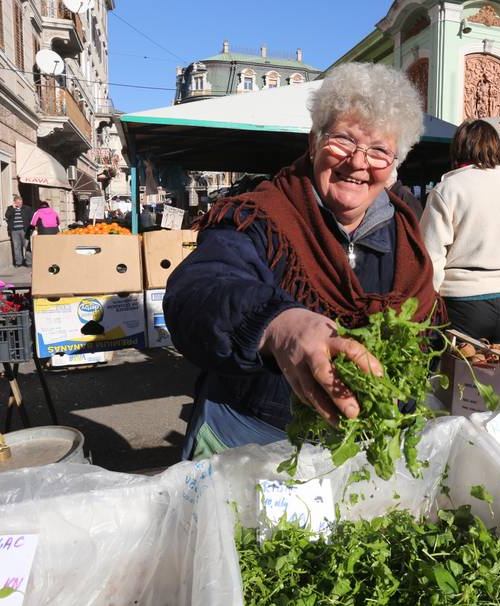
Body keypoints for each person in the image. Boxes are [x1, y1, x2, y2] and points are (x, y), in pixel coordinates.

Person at [164, 63, 442, 460]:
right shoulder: (258, 216)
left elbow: (423, 331)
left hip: (358, 448)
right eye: (344, 140)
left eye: (379, 150)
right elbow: (197, 291)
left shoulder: (406, 234)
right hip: (249, 437)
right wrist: (276, 325)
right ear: (313, 142)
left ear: (394, 164)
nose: (359, 162)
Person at [419, 120, 500, 343]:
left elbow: (429, 255)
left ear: (458, 149)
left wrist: (435, 294)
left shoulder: (447, 190)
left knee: (457, 375)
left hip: (461, 304)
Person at [4, 194, 32, 266]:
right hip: (14, 231)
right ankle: (18, 262)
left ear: (22, 201)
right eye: (17, 202)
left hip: (24, 230)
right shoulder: (10, 208)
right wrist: (13, 209)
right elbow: (7, 216)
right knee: (16, 247)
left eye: (20, 202)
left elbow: (31, 218)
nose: (19, 203)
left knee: (27, 246)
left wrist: (31, 229)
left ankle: (29, 262)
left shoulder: (27, 208)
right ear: (14, 202)